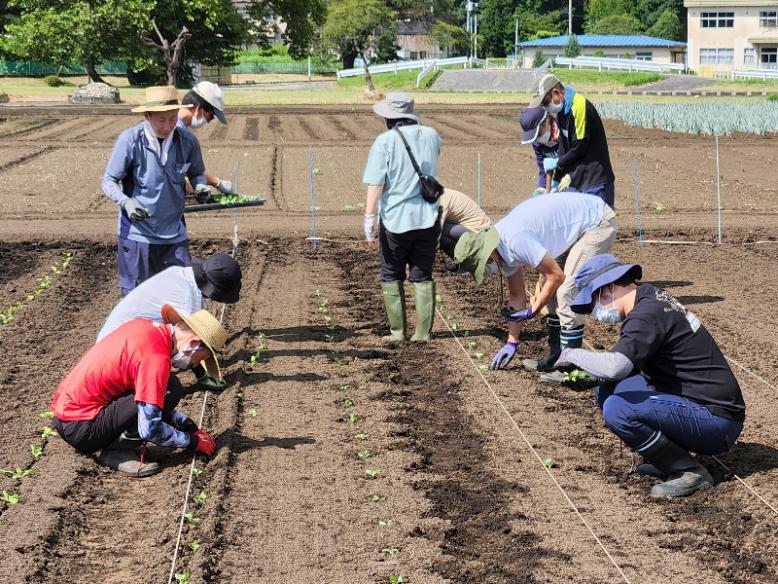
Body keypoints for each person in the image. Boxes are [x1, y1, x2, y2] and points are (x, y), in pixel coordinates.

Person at [553, 254, 745, 498]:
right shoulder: (650, 297)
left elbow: (616, 366)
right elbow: (626, 365)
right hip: (695, 401)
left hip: (716, 420)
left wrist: (572, 354)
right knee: (606, 388)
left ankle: (688, 471)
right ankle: (665, 456)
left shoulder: (646, 315)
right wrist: (593, 377)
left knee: (617, 409)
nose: (596, 314)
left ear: (609, 288)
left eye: (594, 304)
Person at [51, 306, 227, 477]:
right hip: (83, 430)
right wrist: (191, 441)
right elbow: (150, 429)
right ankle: (117, 451)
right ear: (193, 343)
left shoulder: (142, 327)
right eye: (200, 359)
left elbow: (145, 399)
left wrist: (186, 424)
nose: (194, 365)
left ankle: (117, 442)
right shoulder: (155, 359)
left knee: (167, 386)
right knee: (171, 388)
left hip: (64, 418)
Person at [453, 192, 617, 373]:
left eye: (483, 266)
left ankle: (570, 368)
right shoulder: (501, 251)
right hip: (572, 226)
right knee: (554, 292)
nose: (486, 272)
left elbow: (556, 276)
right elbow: (517, 296)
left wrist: (535, 308)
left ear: (489, 254)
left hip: (597, 221)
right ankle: (556, 358)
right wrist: (511, 342)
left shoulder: (515, 241)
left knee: (566, 291)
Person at [102, 86, 209, 296]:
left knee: (179, 294)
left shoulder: (187, 142)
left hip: (174, 234)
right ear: (147, 115)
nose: (168, 126)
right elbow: (109, 181)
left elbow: (197, 172)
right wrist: (127, 202)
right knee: (137, 296)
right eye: (162, 120)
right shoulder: (130, 141)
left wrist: (200, 185)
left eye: (172, 118)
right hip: (138, 235)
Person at [362, 92, 442, 342]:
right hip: (428, 217)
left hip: (396, 219)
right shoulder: (432, 135)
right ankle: (423, 333)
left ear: (389, 117)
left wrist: (369, 220)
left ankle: (398, 332)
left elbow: (376, 184)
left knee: (391, 273)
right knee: (422, 273)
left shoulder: (384, 141)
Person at [96, 252, 241, 389]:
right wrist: (202, 375)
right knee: (169, 387)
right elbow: (186, 345)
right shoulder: (185, 299)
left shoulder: (181, 275)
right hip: (116, 355)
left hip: (118, 343)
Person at [528, 74, 615, 207]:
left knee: (600, 226)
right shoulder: (561, 112)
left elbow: (580, 146)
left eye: (545, 103)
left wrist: (557, 162)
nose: (546, 109)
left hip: (595, 182)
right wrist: (556, 181)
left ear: (556, 93)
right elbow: (564, 147)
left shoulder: (579, 106)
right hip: (579, 181)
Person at [177, 81, 238, 196]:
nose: (209, 121)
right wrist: (183, 186)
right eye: (210, 117)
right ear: (199, 108)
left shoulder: (188, 138)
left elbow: (193, 171)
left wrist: (216, 182)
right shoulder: (169, 131)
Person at [438, 188, 491, 260]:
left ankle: (466, 264)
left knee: (442, 232)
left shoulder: (441, 200)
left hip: (480, 233)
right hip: (474, 230)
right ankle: (462, 263)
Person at [519, 106, 561, 195]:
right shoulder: (536, 143)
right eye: (534, 136)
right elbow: (543, 168)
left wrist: (559, 180)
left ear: (545, 123)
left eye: (538, 134)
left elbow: (577, 155)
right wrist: (541, 188)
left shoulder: (563, 129)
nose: (537, 139)